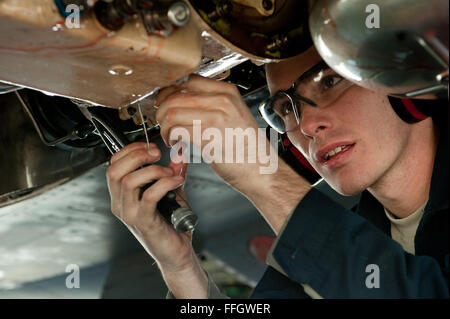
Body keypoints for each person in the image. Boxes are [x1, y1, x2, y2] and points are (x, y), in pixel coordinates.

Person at [105, 46, 449, 298]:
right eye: (286, 108)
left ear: (403, 79)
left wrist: (264, 179)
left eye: (329, 82)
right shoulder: (340, 247)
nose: (308, 125)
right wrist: (181, 268)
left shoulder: (335, 250)